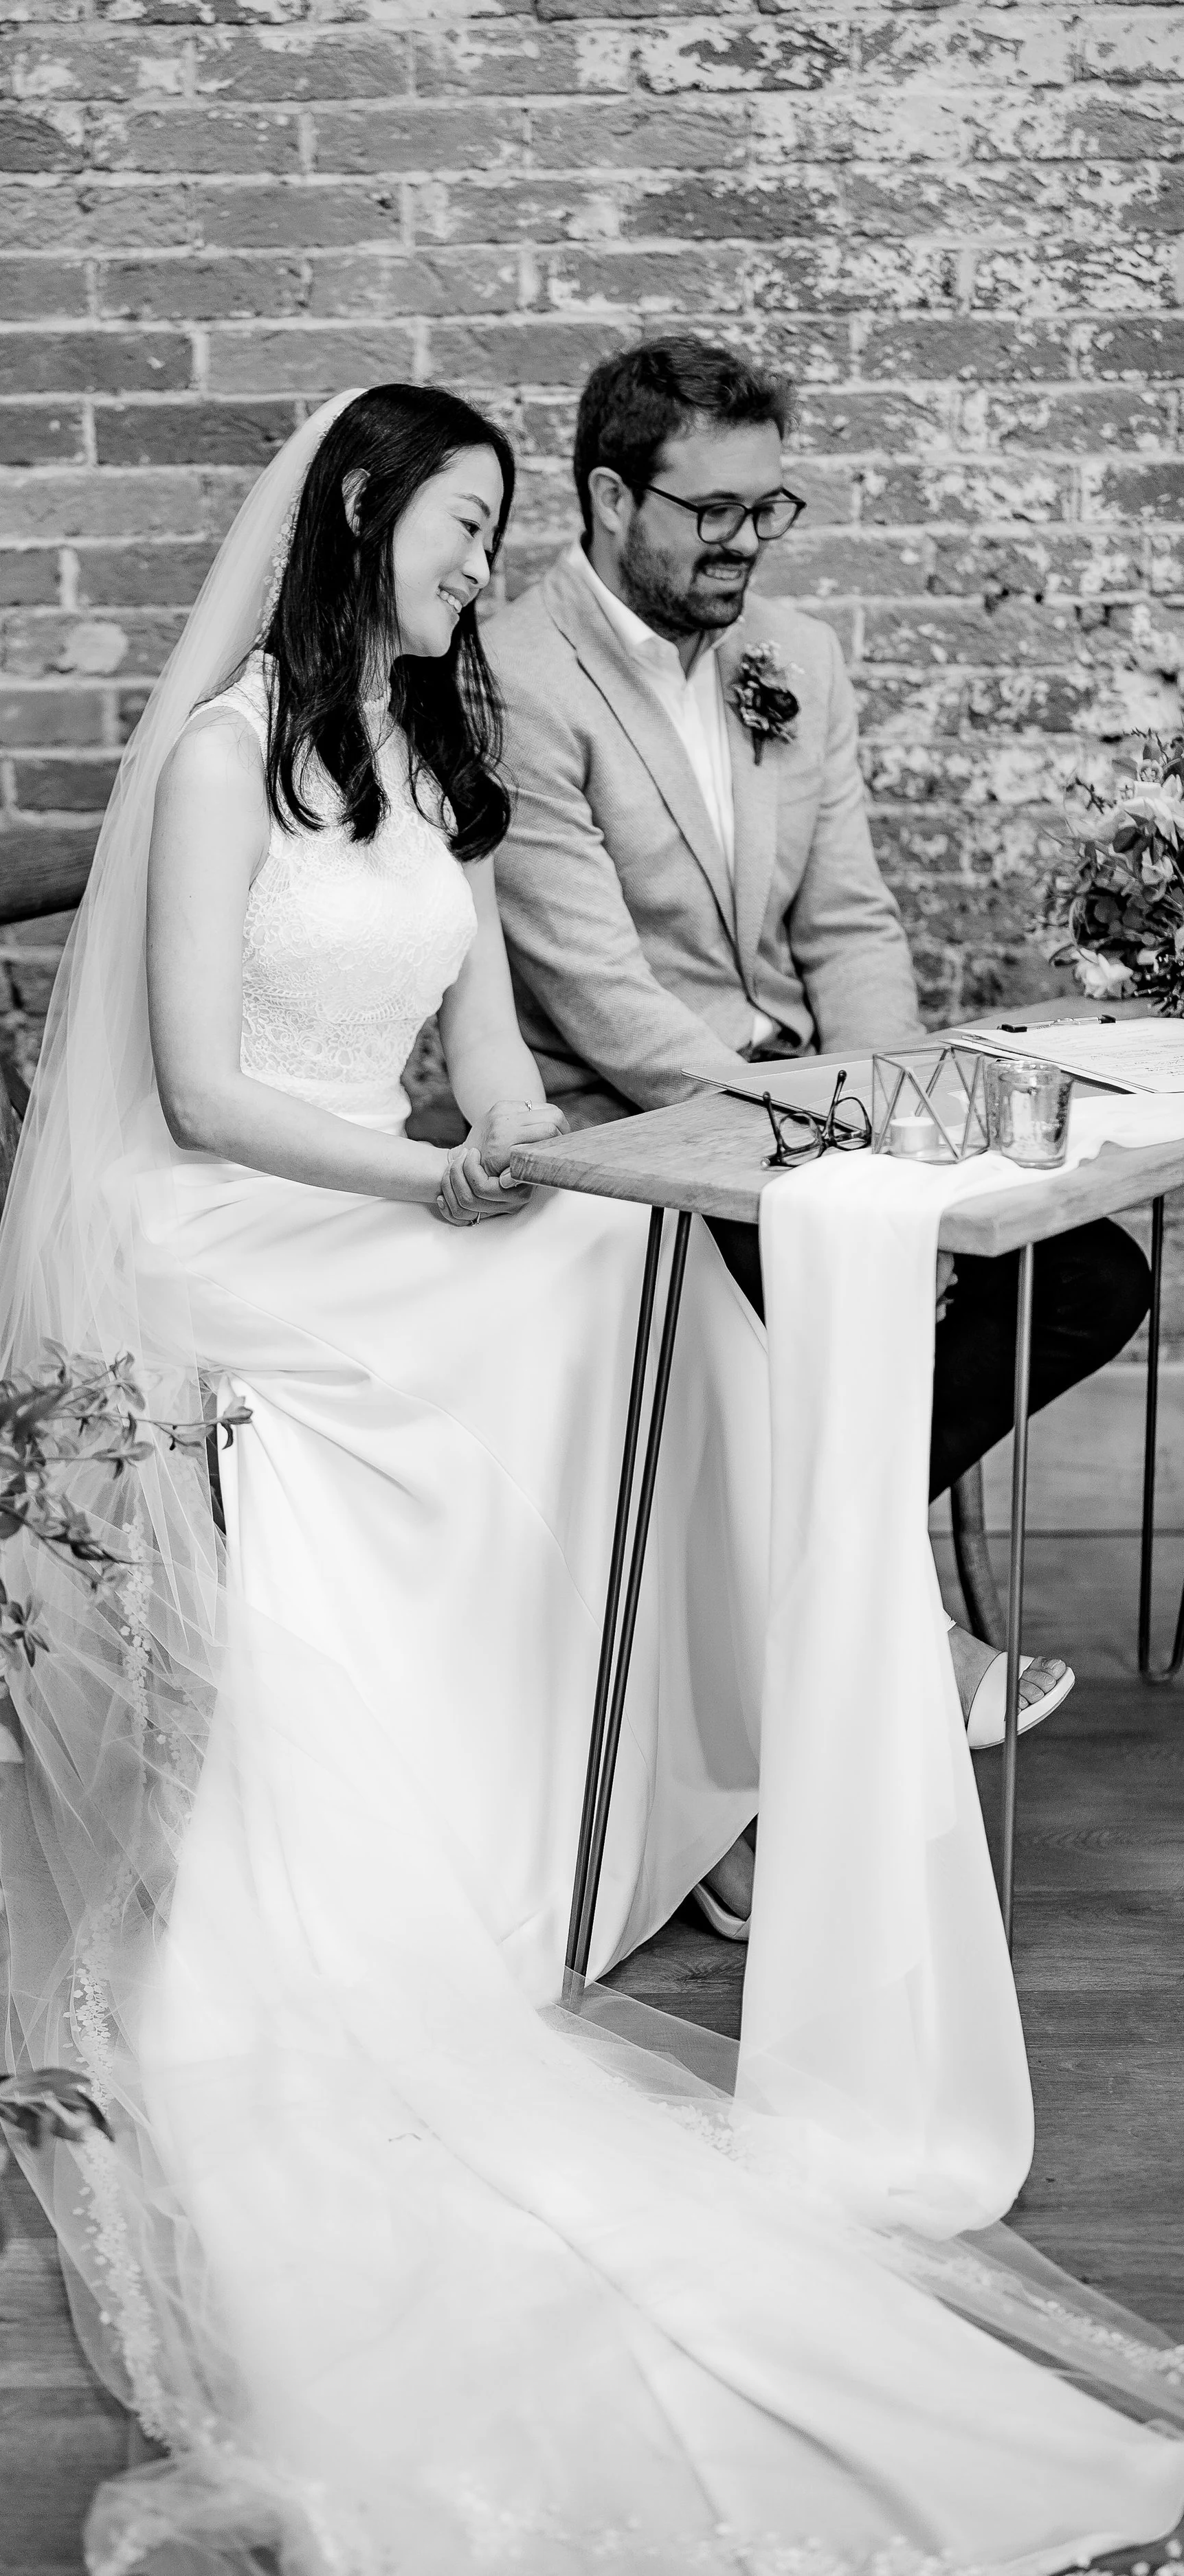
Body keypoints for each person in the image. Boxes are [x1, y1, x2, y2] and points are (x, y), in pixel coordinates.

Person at [0, 385, 1184, 2573]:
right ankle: (504, 1815)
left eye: (496, 527)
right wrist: (443, 1175)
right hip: (246, 1220)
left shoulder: (429, 751)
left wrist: (538, 1154)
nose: (475, 562)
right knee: (548, 1295)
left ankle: (665, 1781)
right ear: (360, 517)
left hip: (412, 1179)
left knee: (640, 1280)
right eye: (458, 523)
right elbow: (203, 1091)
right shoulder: (223, 752)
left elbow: (503, 1043)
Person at [486, 336, 1150, 1927]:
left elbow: (849, 929)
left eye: (763, 507)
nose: (740, 545)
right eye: (708, 512)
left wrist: (899, 1153)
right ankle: (838, 1683)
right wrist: (835, 1172)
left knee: (1084, 1279)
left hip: (814, 1110)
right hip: (628, 1138)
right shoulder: (514, 676)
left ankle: (821, 1645)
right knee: (809, 1293)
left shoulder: (795, 653)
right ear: (603, 493)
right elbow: (593, 1001)